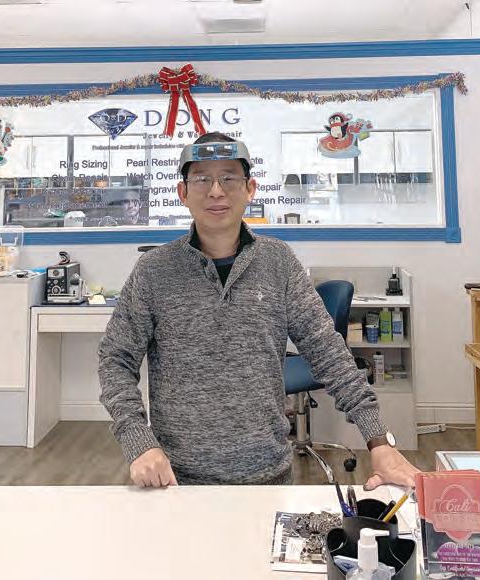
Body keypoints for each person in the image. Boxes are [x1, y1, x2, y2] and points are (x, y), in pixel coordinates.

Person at [98, 132, 418, 489]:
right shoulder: (154, 271)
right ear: (182, 193)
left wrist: (379, 441)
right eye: (201, 179)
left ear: (250, 189)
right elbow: (116, 359)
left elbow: (328, 352)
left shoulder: (278, 262)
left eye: (229, 178)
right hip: (174, 481)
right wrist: (138, 441)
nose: (216, 191)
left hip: (268, 478)